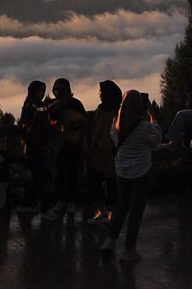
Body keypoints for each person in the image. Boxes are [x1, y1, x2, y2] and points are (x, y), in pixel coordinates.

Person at [101, 90, 161, 263]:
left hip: (122, 173)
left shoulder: (116, 124)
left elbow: (115, 140)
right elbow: (156, 142)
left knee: (121, 206)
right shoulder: (144, 127)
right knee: (136, 211)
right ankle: (129, 250)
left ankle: (110, 241)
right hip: (141, 174)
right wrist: (153, 117)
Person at [44, 77, 87, 220]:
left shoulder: (76, 104)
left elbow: (84, 122)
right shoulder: (52, 104)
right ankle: (60, 201)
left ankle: (72, 202)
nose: (58, 92)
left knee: (72, 174)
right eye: (56, 89)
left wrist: (74, 127)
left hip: (73, 144)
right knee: (59, 175)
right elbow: (50, 117)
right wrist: (60, 104)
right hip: (57, 146)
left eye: (61, 89)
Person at [85, 80, 122, 225]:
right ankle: (103, 211)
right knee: (95, 184)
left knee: (111, 186)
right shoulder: (100, 111)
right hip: (97, 155)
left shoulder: (115, 112)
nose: (99, 94)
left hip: (110, 155)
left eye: (101, 91)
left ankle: (112, 214)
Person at [17, 81, 51, 215]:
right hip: (33, 145)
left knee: (37, 176)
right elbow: (40, 113)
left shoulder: (32, 104)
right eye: (40, 91)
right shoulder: (31, 105)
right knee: (39, 176)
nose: (42, 94)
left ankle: (29, 203)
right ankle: (40, 206)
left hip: (36, 144)